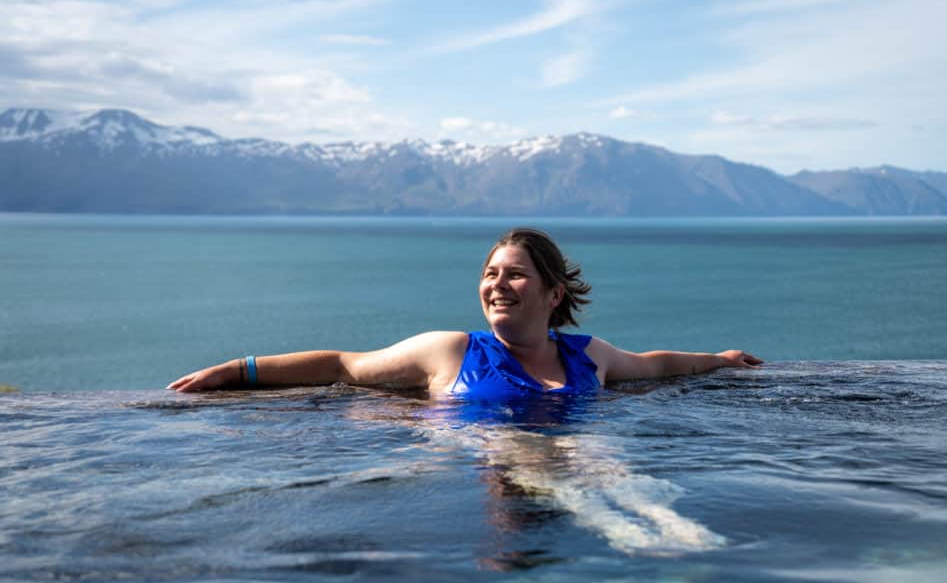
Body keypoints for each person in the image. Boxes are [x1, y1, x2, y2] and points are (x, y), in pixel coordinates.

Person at [167, 228, 762, 396]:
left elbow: (655, 366)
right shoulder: (450, 351)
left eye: (515, 274)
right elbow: (344, 365)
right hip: (491, 471)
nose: (497, 284)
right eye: (490, 273)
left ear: (554, 295)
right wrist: (237, 369)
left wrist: (720, 359)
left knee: (620, 486)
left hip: (576, 464)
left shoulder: (591, 356)